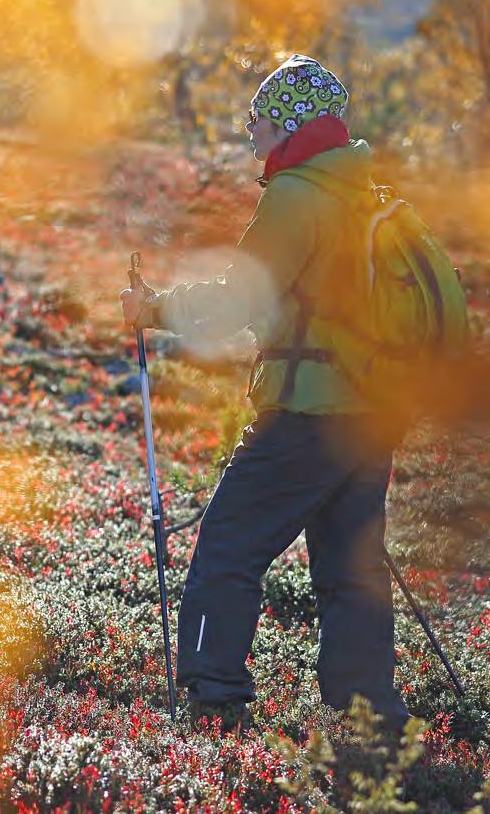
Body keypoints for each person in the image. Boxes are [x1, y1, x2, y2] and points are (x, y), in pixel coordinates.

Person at [120, 54, 413, 735]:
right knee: (351, 571)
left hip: (308, 413)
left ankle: (214, 698)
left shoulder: (295, 195)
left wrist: (155, 308)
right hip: (371, 417)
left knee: (226, 546)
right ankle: (370, 721)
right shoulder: (362, 194)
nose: (248, 131)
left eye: (254, 119)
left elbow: (234, 301)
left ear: (286, 123)